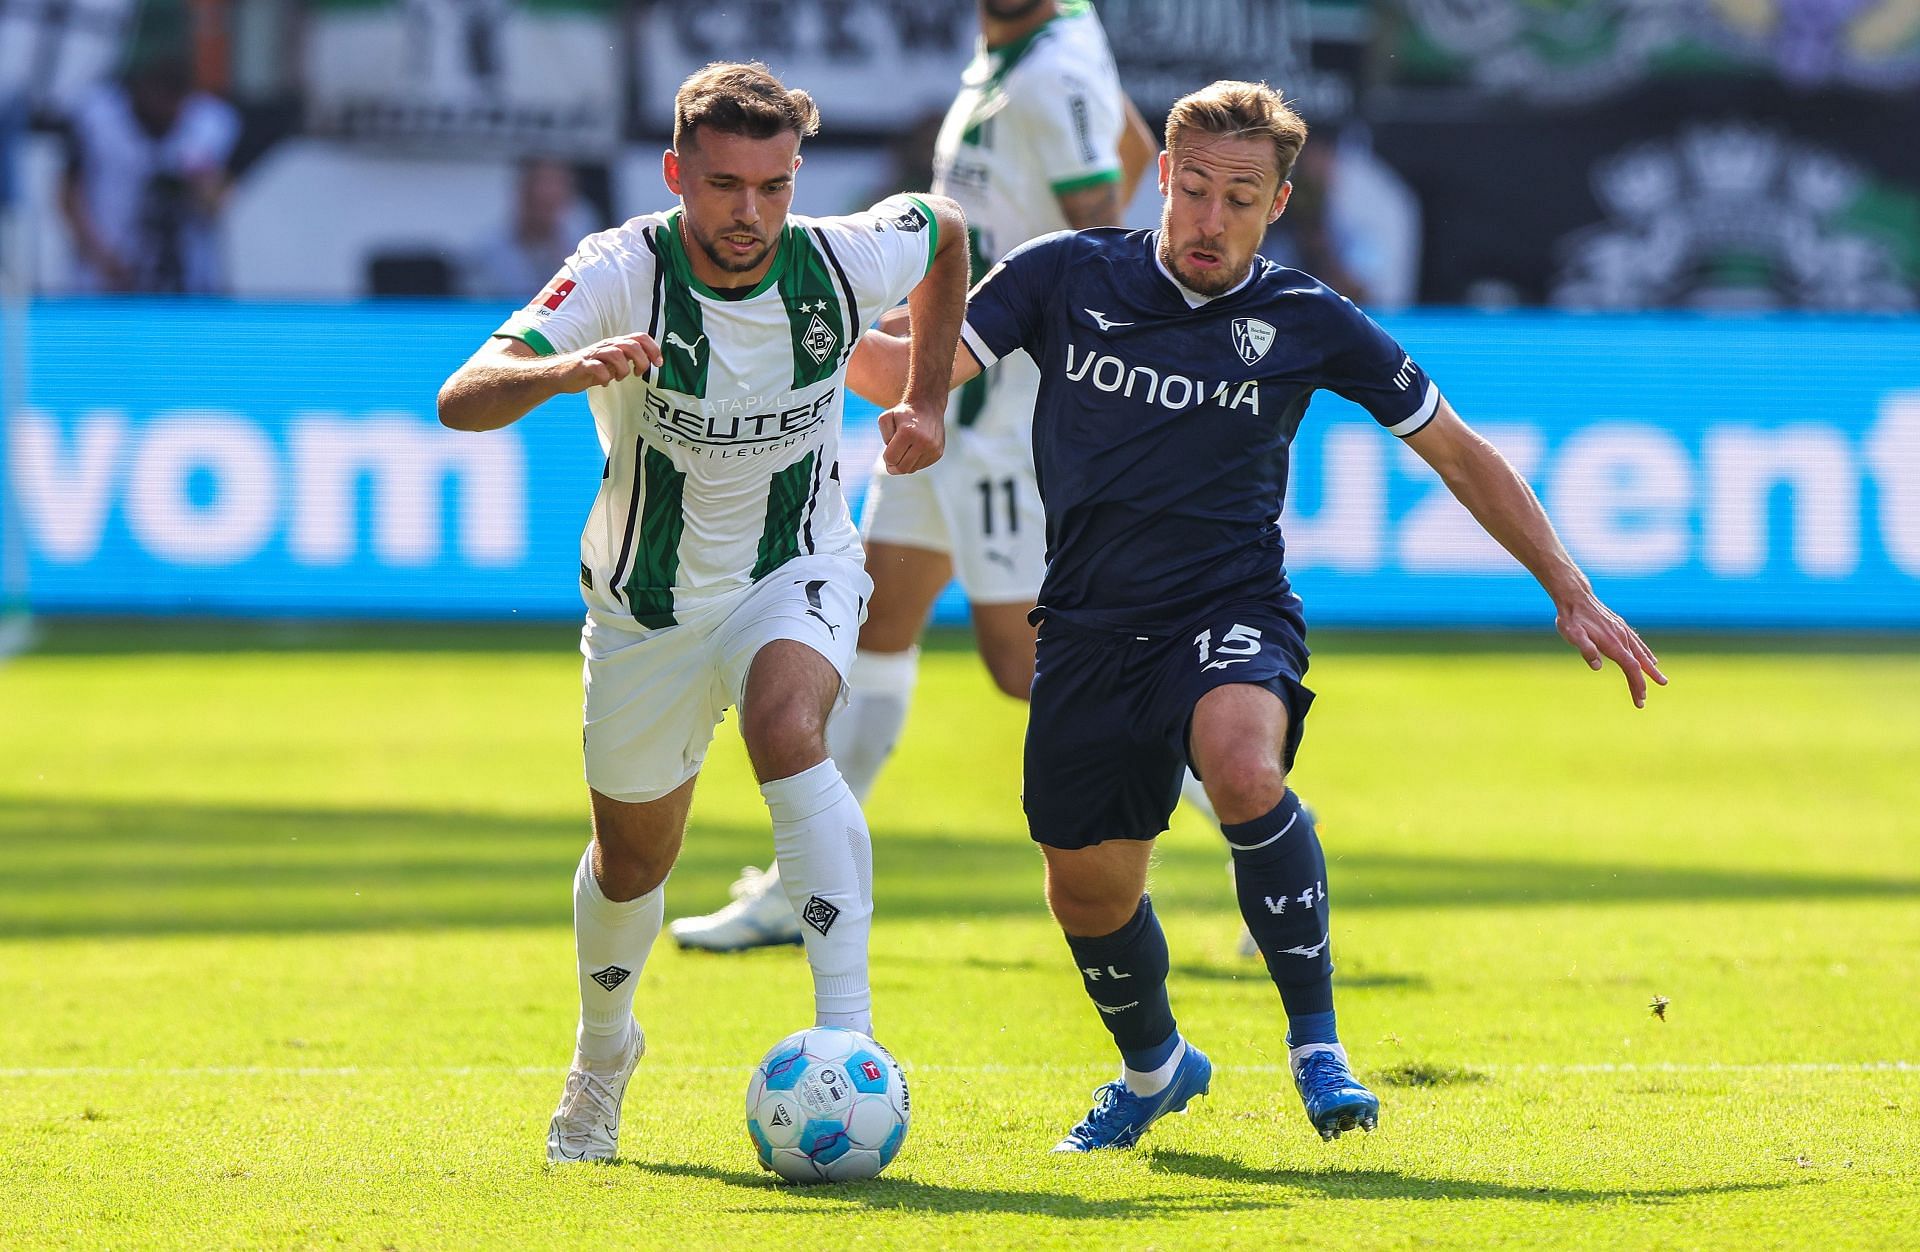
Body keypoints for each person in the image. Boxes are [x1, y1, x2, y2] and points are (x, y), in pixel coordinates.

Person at [845, 80, 1665, 1147]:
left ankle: (1317, 1046)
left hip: (1227, 605)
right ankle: (1154, 1071)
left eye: (1240, 197)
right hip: (1088, 628)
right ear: (1164, 183)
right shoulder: (1063, 272)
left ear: (1277, 204)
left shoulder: (1306, 318)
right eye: (1192, 189)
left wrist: (1569, 584)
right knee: (1087, 892)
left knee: (1241, 764)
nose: (1209, 217)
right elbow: (912, 368)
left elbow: (1457, 450)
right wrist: (783, 324)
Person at [436, 61, 968, 1163]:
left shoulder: (837, 258)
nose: (751, 212)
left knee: (789, 728)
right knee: (632, 864)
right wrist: (569, 366)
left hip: (800, 564)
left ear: (795, 177)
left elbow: (946, 227)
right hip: (649, 608)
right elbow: (463, 395)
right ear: (678, 172)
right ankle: (602, 1055)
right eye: (725, 185)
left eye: (773, 186)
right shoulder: (620, 270)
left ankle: (850, 1040)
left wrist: (925, 397)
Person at [670, 0, 1168, 953]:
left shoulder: (1053, 65)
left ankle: (1237, 790)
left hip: (1004, 422)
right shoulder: (1021, 50)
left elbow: (1103, 230)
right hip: (941, 403)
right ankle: (799, 884)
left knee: (1023, 666)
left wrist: (1004, 338)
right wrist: (943, 342)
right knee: (874, 626)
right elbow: (1133, 142)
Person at [58, 53, 240, 294]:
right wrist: (99, 257)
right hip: (107, 275)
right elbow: (68, 193)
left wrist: (199, 188)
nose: (167, 107)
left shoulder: (209, 124)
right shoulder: (97, 117)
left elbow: (218, 198)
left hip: (186, 280)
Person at [461, 157, 602, 301]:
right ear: (522, 195)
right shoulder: (488, 252)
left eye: (551, 204)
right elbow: (475, 305)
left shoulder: (586, 251)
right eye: (538, 202)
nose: (544, 211)